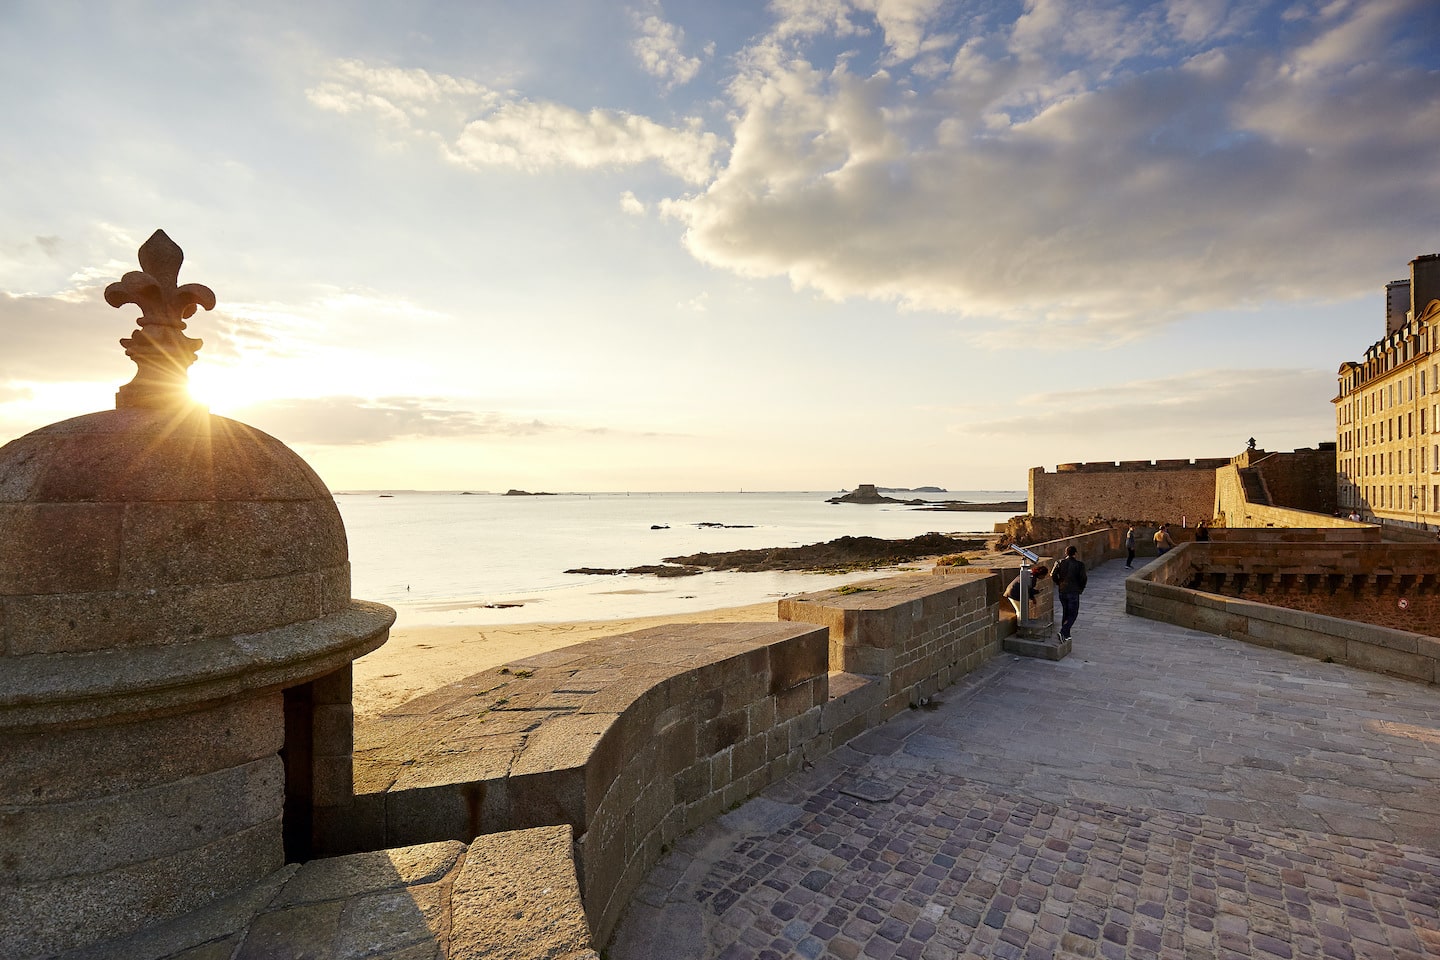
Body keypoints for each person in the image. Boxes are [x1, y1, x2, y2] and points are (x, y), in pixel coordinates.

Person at [1053, 546, 1087, 641]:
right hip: (1073, 592)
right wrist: (1080, 588)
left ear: (1066, 553)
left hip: (1062, 591)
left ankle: (1066, 634)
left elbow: (1053, 574)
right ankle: (1063, 631)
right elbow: (1083, 578)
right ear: (1075, 553)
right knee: (1073, 613)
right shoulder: (1079, 565)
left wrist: (1058, 582)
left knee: (1066, 611)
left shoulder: (1059, 562)